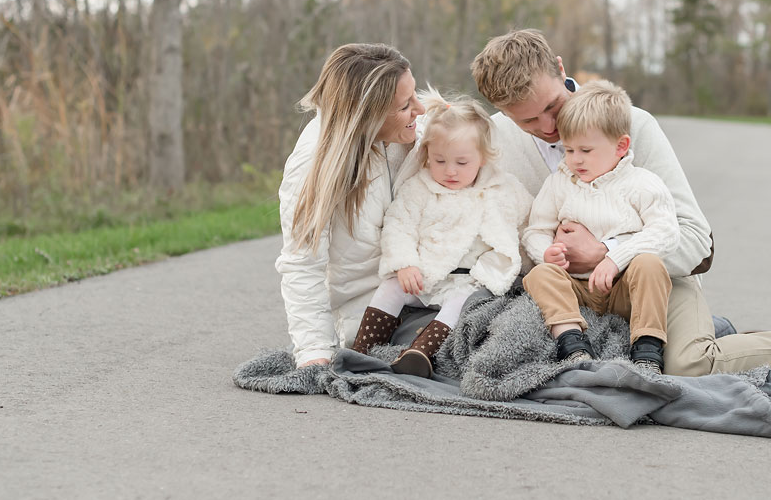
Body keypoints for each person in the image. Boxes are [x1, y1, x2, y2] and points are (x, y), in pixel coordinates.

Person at [471, 29, 771, 377]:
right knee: (512, 357)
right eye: (527, 121)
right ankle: (707, 331)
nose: (549, 128)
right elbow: (501, 238)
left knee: (687, 366)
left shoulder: (631, 125)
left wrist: (607, 253)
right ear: (502, 112)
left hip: (652, 278)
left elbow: (695, 241)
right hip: (567, 296)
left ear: (561, 71)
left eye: (552, 107)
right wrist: (552, 256)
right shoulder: (496, 141)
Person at [349, 89, 533, 377]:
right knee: (389, 288)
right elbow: (399, 225)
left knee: (460, 305)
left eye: (462, 163)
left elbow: (527, 228)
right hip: (424, 273)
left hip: (468, 280)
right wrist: (405, 263)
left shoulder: (504, 190)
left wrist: (538, 263)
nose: (450, 172)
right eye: (439, 161)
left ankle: (421, 353)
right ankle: (362, 349)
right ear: (427, 156)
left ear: (483, 158)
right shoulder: (420, 188)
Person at [276, 43, 425, 368]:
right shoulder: (314, 163)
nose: (421, 109)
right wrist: (315, 352)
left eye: (414, 95)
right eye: (405, 106)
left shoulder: (417, 139)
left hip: (432, 293)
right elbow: (303, 265)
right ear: (367, 115)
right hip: (378, 316)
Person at [521, 81, 676, 374]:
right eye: (568, 149)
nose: (575, 159)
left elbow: (666, 231)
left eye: (586, 150)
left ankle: (647, 347)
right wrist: (547, 253)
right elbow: (535, 230)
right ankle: (571, 342)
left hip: (624, 287)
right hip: (576, 287)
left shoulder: (641, 183)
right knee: (541, 274)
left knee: (649, 264)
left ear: (621, 146)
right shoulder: (560, 183)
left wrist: (615, 258)